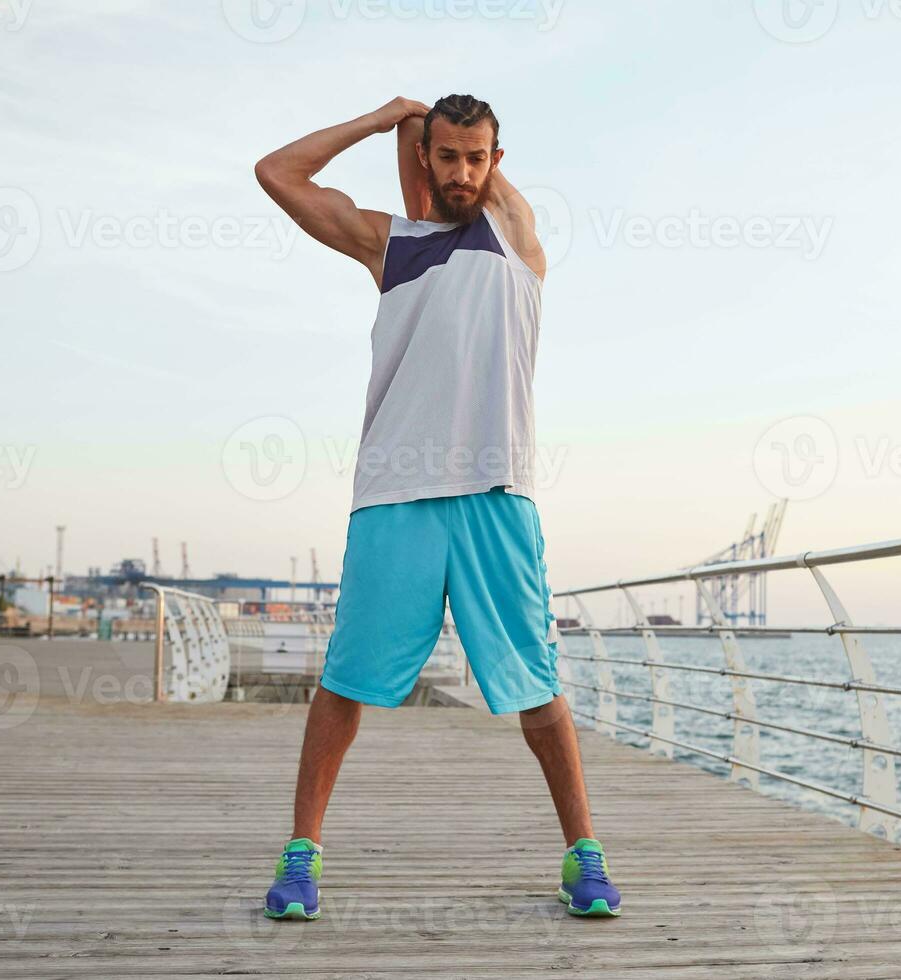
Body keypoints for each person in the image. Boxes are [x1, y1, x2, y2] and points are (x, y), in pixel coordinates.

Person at [252, 94, 620, 920]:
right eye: (445, 155)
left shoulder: (516, 237)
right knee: (345, 683)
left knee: (538, 688)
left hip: (496, 494)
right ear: (425, 157)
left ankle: (584, 856)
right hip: (394, 499)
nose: (462, 173)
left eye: (476, 158)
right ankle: (301, 857)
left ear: (495, 161)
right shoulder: (389, 246)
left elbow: (477, 186)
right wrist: (381, 118)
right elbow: (277, 173)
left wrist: (425, 139)